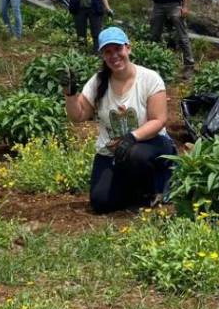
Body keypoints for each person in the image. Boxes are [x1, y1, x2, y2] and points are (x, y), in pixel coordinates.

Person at [64, 27, 176, 214]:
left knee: (135, 154)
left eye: (118, 49)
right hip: (112, 152)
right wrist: (70, 95)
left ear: (128, 49)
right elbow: (78, 116)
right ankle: (135, 189)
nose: (114, 55)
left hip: (150, 144)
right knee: (101, 203)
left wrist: (131, 137)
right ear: (102, 55)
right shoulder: (98, 82)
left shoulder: (149, 79)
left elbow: (159, 119)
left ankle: (157, 182)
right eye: (108, 51)